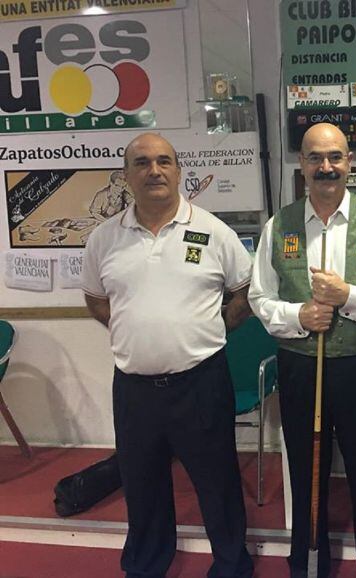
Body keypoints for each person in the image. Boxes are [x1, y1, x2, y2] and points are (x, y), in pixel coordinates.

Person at [81, 133, 254, 578]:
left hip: (201, 382)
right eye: (142, 163)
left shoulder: (213, 231)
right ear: (126, 176)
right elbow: (97, 301)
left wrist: (209, 328)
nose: (154, 170)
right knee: (142, 485)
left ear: (179, 171)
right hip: (134, 388)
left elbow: (244, 292)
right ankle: (146, 564)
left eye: (164, 161)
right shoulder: (104, 238)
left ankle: (232, 564)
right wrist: (135, 330)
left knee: (218, 483)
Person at [248, 123, 356, 578]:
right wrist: (299, 316)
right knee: (306, 470)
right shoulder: (277, 225)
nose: (326, 167)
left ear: (349, 163)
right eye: (315, 158)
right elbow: (258, 299)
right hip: (300, 367)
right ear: (301, 164)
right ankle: (308, 562)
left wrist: (350, 297)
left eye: (335, 157)